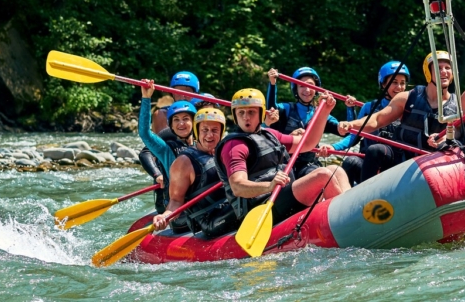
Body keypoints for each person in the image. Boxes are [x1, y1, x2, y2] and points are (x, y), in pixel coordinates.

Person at [216, 89, 350, 224]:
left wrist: (323, 112)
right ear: (235, 115)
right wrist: (269, 186)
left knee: (335, 170)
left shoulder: (270, 135)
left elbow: (308, 143)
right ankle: (346, 220)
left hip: (282, 194)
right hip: (261, 205)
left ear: (261, 113)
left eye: (251, 112)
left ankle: (352, 210)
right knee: (322, 175)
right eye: (241, 112)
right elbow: (237, 187)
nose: (246, 117)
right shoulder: (233, 146)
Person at [337, 52, 459, 183]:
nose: (444, 71)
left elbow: (458, 132)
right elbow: (378, 119)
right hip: (400, 157)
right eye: (438, 68)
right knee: (375, 150)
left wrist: (445, 138)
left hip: (430, 162)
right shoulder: (407, 97)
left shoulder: (458, 105)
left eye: (447, 68)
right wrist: (352, 125)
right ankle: (365, 192)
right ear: (428, 72)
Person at [150, 107, 236, 237]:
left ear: (221, 132)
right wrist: (165, 216)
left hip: (228, 207)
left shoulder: (225, 152)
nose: (209, 135)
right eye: (204, 130)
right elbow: (176, 200)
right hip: (209, 219)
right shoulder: (184, 162)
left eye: (214, 130)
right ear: (196, 132)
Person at [330, 61, 410, 185]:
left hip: (395, 165)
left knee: (377, 151)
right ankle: (352, 194)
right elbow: (354, 137)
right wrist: (333, 147)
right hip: (369, 164)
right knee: (351, 162)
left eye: (402, 83)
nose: (399, 87)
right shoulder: (369, 108)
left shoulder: (410, 110)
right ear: (383, 84)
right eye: (394, 82)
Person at [265, 67, 349, 177]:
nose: (307, 90)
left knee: (327, 173)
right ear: (296, 89)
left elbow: (348, 133)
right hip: (284, 164)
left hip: (309, 165)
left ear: (316, 89)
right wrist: (272, 83)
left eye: (310, 85)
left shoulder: (322, 114)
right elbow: (271, 110)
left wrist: (333, 147)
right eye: (302, 86)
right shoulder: (286, 108)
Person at [138, 81, 197, 213]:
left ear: (194, 122)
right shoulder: (166, 150)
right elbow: (144, 133)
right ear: (171, 125)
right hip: (179, 208)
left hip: (201, 204)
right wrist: (146, 98)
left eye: (185, 119)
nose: (181, 124)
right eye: (176, 120)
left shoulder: (203, 144)